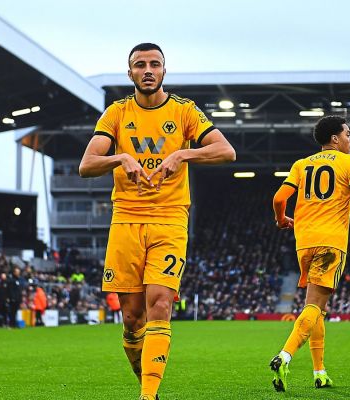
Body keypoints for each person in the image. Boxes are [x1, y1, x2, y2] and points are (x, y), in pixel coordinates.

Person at [79, 42, 236, 400]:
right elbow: (87, 165)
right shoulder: (116, 113)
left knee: (161, 304)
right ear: (130, 73)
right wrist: (121, 158)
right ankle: (147, 385)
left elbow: (226, 151)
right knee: (132, 318)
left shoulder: (184, 111)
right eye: (140, 65)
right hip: (126, 219)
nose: (147, 70)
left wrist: (182, 154)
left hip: (170, 218)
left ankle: (148, 395)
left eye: (154, 64)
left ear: (164, 70)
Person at [270, 115, 350, 392]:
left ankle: (320, 372)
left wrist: (281, 219)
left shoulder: (301, 164)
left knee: (317, 308)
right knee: (316, 305)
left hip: (304, 243)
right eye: (347, 134)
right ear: (335, 138)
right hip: (331, 243)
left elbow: (279, 198)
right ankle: (284, 356)